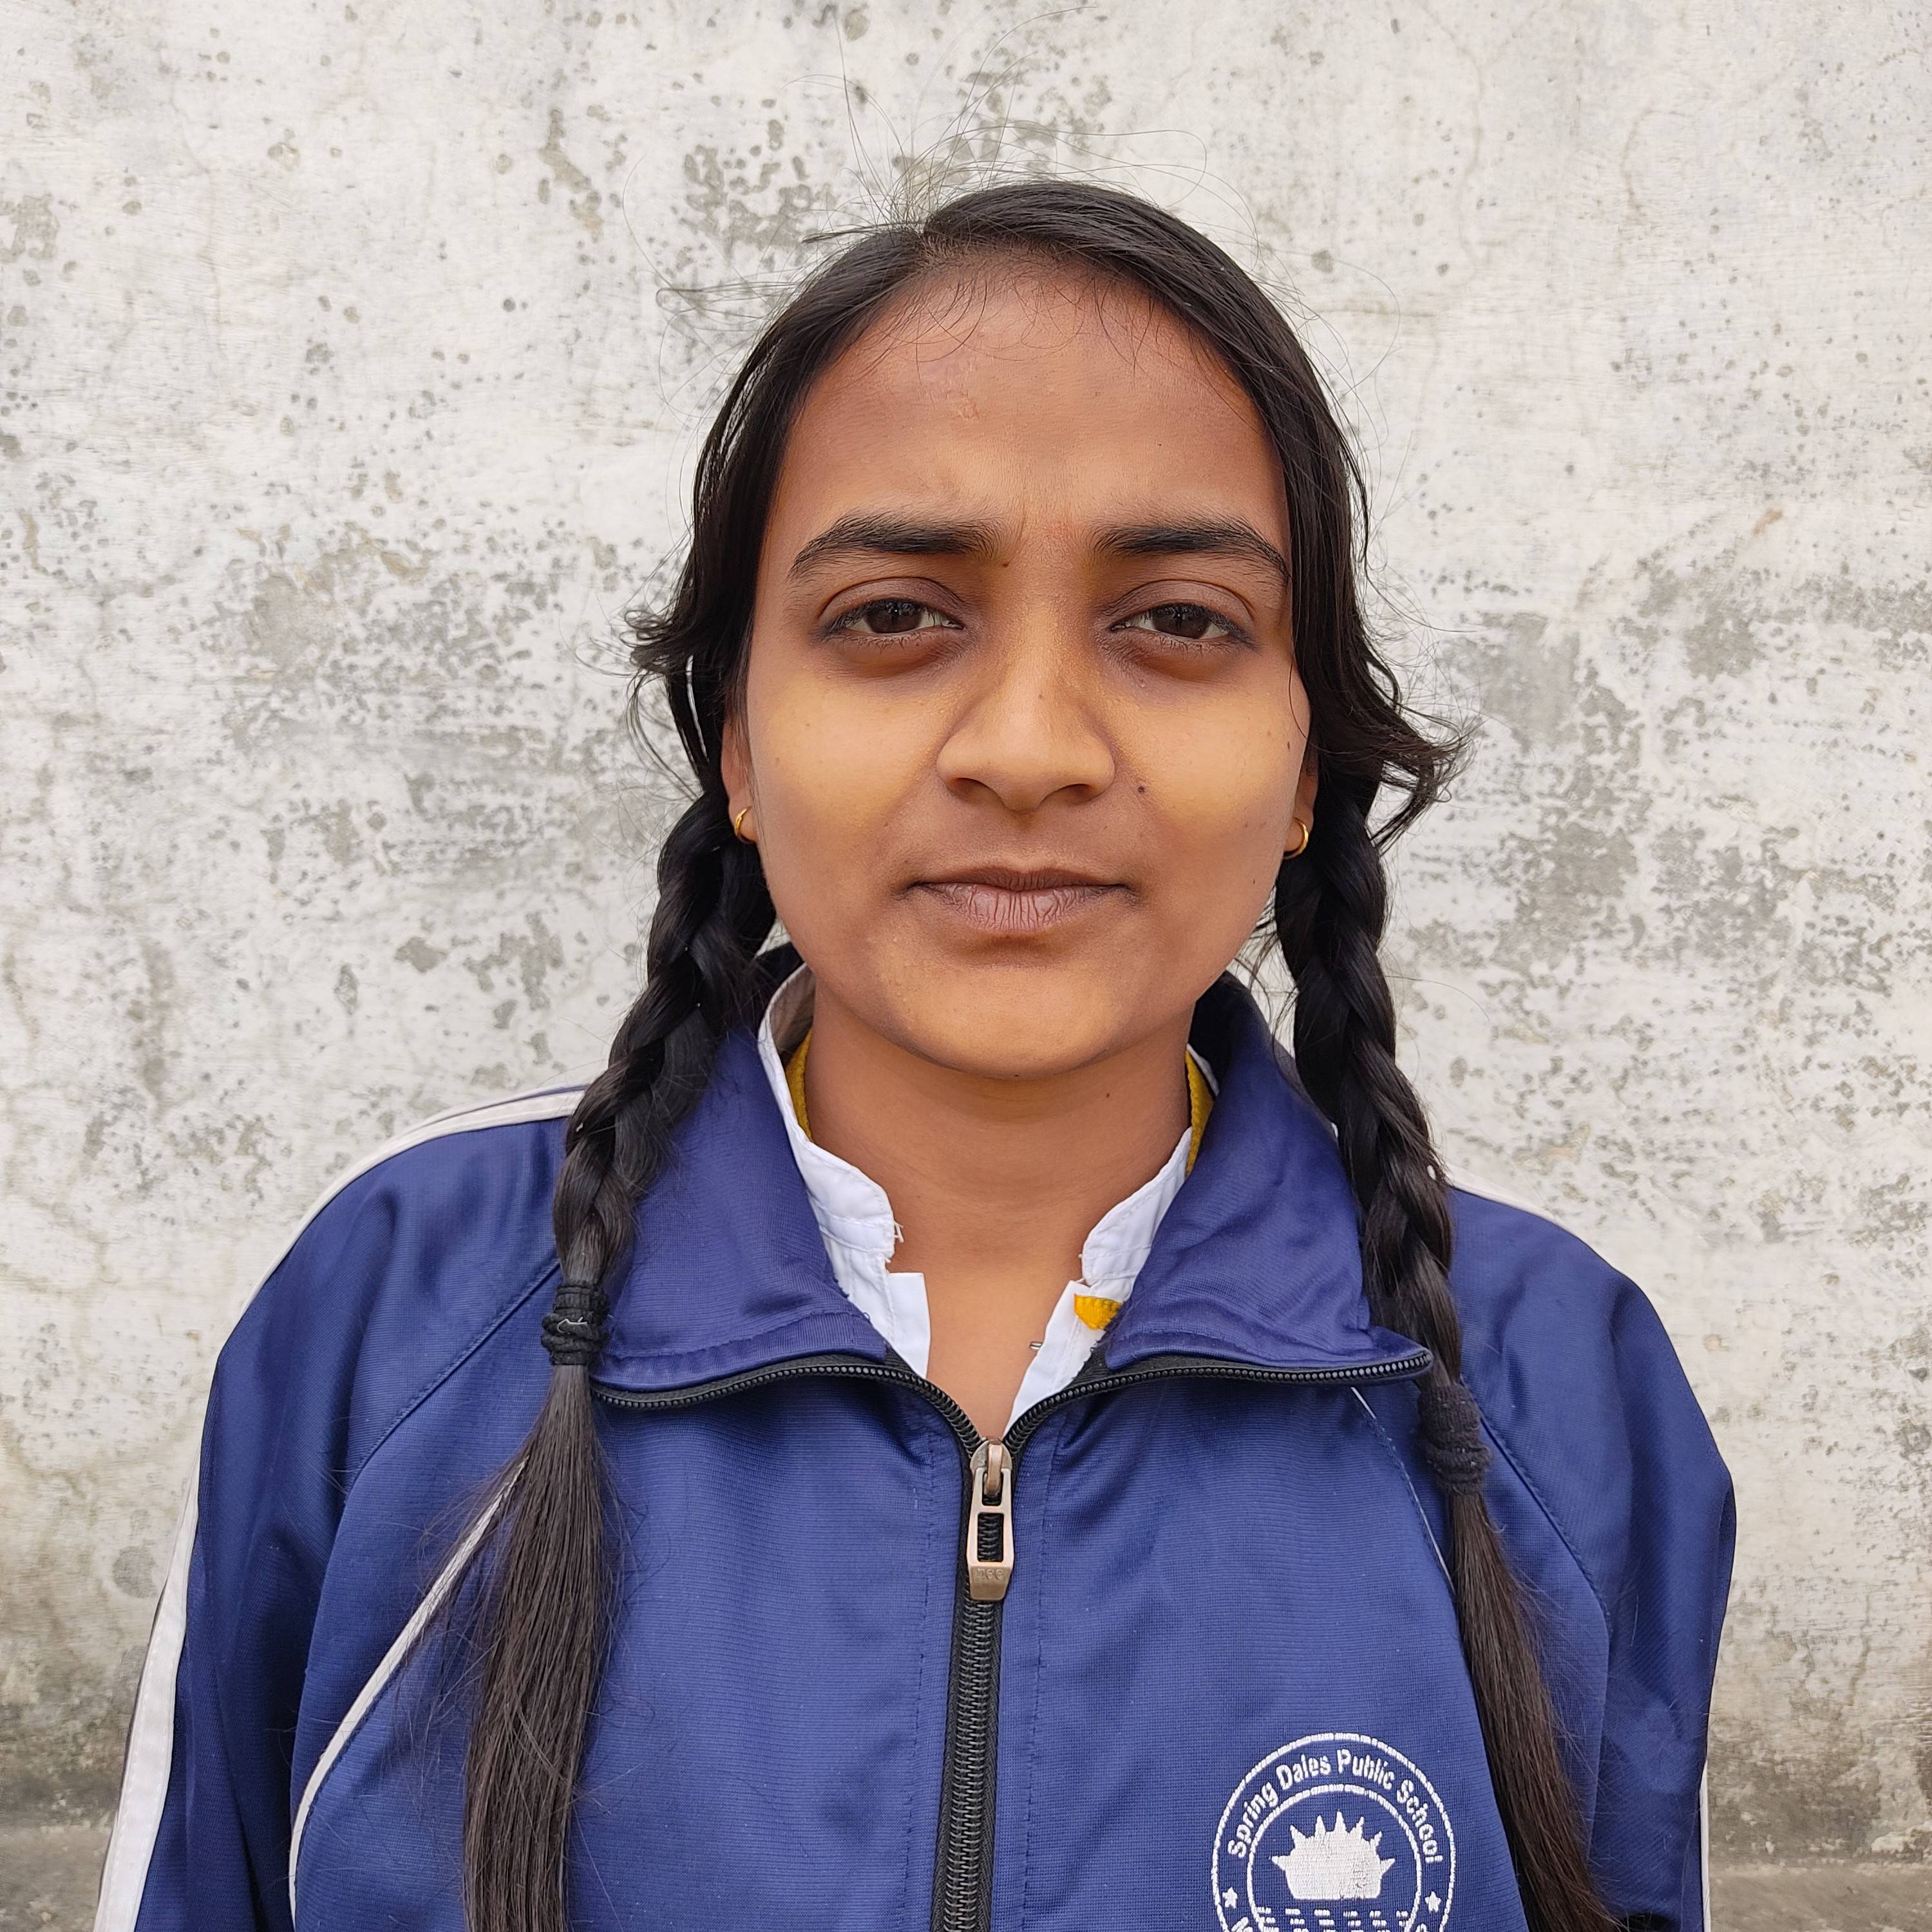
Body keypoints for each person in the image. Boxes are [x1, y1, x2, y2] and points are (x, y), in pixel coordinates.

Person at [93, 180, 1733, 1932]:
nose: (1027, 748)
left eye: (1179, 619)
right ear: (738, 740)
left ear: (1304, 764)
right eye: (894, 615)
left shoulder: (1556, 1386)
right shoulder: (396, 1314)